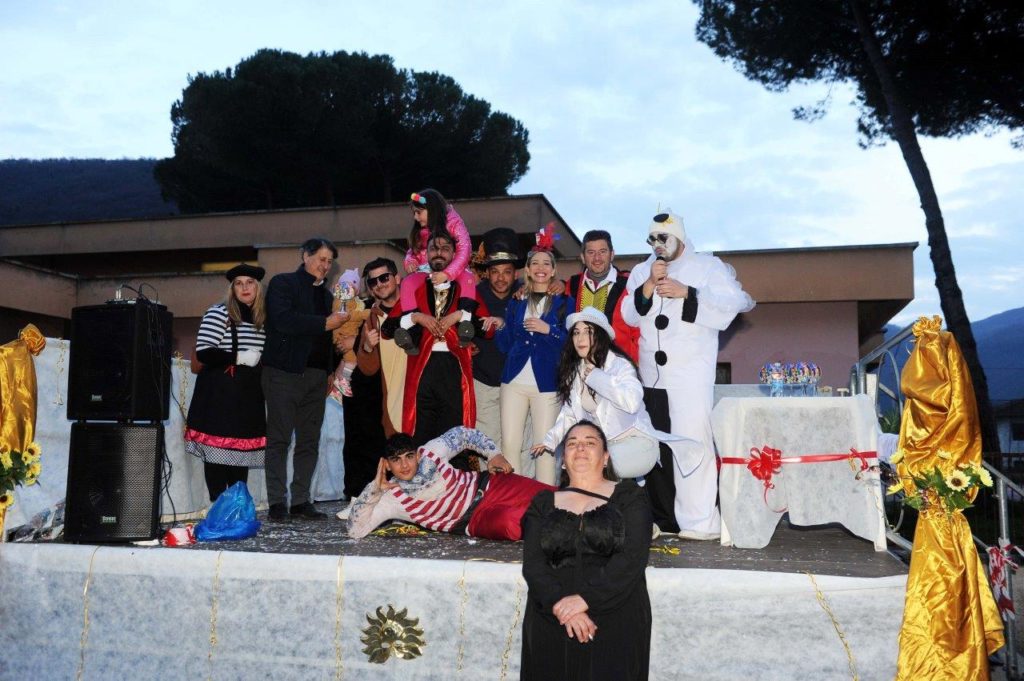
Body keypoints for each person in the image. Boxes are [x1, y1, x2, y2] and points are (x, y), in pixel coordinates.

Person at [621, 209, 755, 538]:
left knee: (693, 444)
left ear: (679, 237)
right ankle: (665, 519)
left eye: (663, 237)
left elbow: (733, 304)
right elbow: (628, 315)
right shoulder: (641, 270)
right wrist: (649, 283)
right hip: (651, 377)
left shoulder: (708, 267)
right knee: (656, 449)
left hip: (690, 376)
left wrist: (689, 293)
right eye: (651, 239)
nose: (657, 244)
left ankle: (699, 522)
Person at [520, 421, 652, 680]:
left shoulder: (630, 498)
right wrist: (561, 605)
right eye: (572, 443)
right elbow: (533, 565)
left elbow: (632, 558)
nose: (580, 448)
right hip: (552, 617)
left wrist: (585, 600)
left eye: (590, 442)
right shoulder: (542, 503)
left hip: (614, 616)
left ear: (606, 457)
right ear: (562, 460)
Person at [535, 307, 699, 482]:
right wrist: (549, 441)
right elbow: (569, 414)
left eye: (588, 331)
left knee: (593, 463)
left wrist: (596, 377)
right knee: (580, 461)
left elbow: (632, 402)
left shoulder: (620, 365)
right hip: (606, 447)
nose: (580, 338)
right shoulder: (576, 372)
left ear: (600, 336)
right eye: (576, 332)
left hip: (638, 443)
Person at [262, 237, 349, 521]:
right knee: (279, 440)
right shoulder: (282, 284)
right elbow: (282, 320)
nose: (325, 266)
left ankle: (300, 501)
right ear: (305, 256)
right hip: (283, 374)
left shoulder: (327, 297)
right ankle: (277, 502)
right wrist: (324, 323)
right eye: (321, 259)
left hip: (316, 376)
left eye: (329, 262)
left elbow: (327, 340)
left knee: (309, 441)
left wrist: (330, 369)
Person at [381, 231, 492, 445]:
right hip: (422, 366)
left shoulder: (465, 287)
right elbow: (387, 329)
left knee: (454, 435)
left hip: (453, 367)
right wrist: (416, 317)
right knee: (421, 433)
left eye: (445, 249)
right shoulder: (416, 286)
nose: (439, 253)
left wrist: (460, 316)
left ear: (454, 255)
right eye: (433, 248)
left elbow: (487, 330)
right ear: (427, 254)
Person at [347, 426, 554, 540]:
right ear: (387, 465)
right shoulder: (393, 498)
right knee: (512, 523)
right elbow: (356, 530)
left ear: (417, 455)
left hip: (492, 485)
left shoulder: (431, 452)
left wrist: (493, 454)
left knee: (554, 497)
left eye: (409, 456)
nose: (404, 465)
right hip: (475, 520)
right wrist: (374, 489)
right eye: (396, 460)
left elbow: (463, 435)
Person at [495, 226, 574, 486]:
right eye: (535, 263)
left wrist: (548, 329)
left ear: (553, 270)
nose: (540, 268)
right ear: (527, 270)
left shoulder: (565, 303)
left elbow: (572, 343)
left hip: (547, 385)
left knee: (545, 448)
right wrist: (500, 326)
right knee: (510, 445)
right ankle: (514, 501)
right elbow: (505, 345)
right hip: (513, 382)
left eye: (546, 263)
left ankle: (546, 501)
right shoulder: (516, 301)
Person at [184, 263, 268, 502]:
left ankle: (235, 507)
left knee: (240, 454)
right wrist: (239, 357)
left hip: (248, 395)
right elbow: (204, 351)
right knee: (217, 455)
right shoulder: (219, 313)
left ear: (258, 287)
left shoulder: (263, 318)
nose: (245, 288)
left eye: (250, 283)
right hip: (220, 394)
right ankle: (219, 506)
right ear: (232, 289)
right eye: (239, 283)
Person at [399, 188, 478, 348]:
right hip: (426, 270)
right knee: (407, 283)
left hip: (454, 269)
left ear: (431, 209)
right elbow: (412, 251)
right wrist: (409, 262)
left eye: (418, 212)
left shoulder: (454, 223)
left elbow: (465, 251)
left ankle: (464, 323)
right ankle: (413, 332)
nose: (415, 217)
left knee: (468, 278)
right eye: (414, 213)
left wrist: (447, 274)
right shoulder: (421, 230)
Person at [471, 227, 524, 449]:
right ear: (487, 272)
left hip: (519, 384)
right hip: (483, 384)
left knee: (520, 445)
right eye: (495, 271)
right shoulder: (473, 296)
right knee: (489, 447)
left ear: (516, 273)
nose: (501, 278)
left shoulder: (527, 296)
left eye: (507, 272)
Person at [564, 229, 640, 362]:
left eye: (602, 251)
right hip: (580, 364)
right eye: (591, 252)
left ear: (612, 254)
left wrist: (634, 362)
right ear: (583, 257)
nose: (597, 258)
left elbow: (639, 329)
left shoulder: (629, 284)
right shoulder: (572, 285)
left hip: (619, 364)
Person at [329, 268, 371, 399]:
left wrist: (355, 341)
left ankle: (340, 384)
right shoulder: (340, 300)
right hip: (342, 336)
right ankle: (344, 381)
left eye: (353, 285)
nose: (349, 288)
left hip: (349, 338)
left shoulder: (359, 303)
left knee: (348, 361)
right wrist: (363, 314)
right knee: (351, 360)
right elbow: (346, 315)